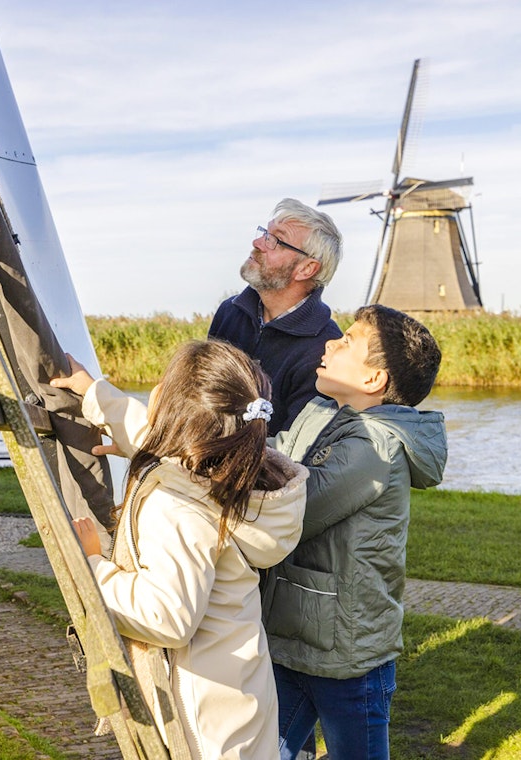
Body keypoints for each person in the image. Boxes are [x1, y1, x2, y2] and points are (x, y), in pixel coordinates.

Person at [52, 340, 308, 760]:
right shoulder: (236, 470)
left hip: (199, 724)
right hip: (236, 697)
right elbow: (163, 438)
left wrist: (94, 565)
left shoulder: (177, 504)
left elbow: (167, 616)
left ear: (176, 414)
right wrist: (95, 393)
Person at [262, 305, 447, 760]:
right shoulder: (321, 411)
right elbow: (272, 454)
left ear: (373, 381)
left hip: (348, 652)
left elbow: (293, 512)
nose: (329, 343)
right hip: (296, 636)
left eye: (346, 341)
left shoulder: (372, 445)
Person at [209, 198, 344, 437]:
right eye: (264, 233)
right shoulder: (230, 312)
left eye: (275, 240)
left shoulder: (325, 349)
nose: (258, 243)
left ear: (306, 269)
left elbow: (295, 451)